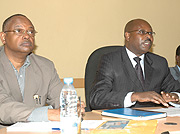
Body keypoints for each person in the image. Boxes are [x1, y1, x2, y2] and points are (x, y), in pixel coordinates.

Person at [0, 14, 84, 128]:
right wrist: (49, 114)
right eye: (19, 31)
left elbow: (60, 98)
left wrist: (73, 106)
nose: (26, 36)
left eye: (31, 32)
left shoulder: (45, 66)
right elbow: (3, 107)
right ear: (3, 37)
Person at [90, 19, 180, 110]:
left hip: (154, 119)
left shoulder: (159, 62)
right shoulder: (111, 61)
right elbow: (97, 98)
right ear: (127, 36)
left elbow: (177, 90)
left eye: (150, 33)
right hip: (122, 119)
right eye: (142, 32)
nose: (148, 36)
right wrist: (134, 97)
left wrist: (175, 97)